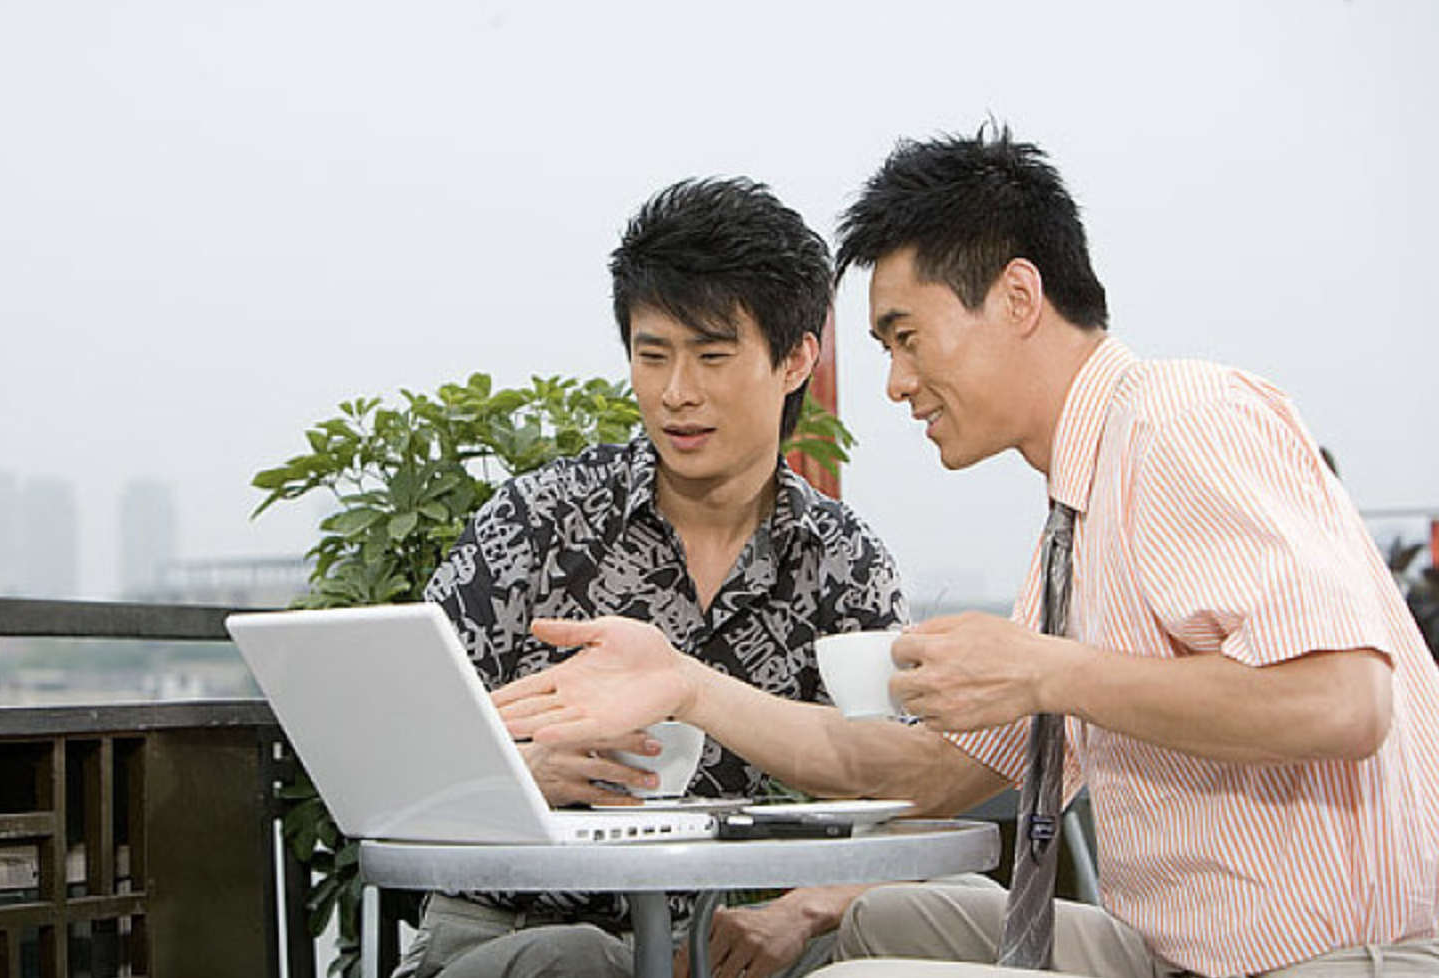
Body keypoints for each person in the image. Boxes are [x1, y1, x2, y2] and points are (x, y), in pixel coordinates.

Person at [495, 128, 1439, 978]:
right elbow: (932, 776)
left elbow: (1344, 700)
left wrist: (1046, 672)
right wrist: (687, 685)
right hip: (1171, 950)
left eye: (907, 338)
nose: (896, 383)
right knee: (882, 921)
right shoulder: (1076, 521)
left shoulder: (1178, 418)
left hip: (1346, 956)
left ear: (1018, 297)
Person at [398, 177, 910, 978]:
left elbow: (901, 788)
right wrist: (517, 780)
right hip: (501, 935)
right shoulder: (537, 521)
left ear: (795, 359)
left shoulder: (840, 562)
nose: (677, 394)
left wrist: (800, 911)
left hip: (695, 946)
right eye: (652, 355)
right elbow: (394, 755)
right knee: (579, 960)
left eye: (712, 356)